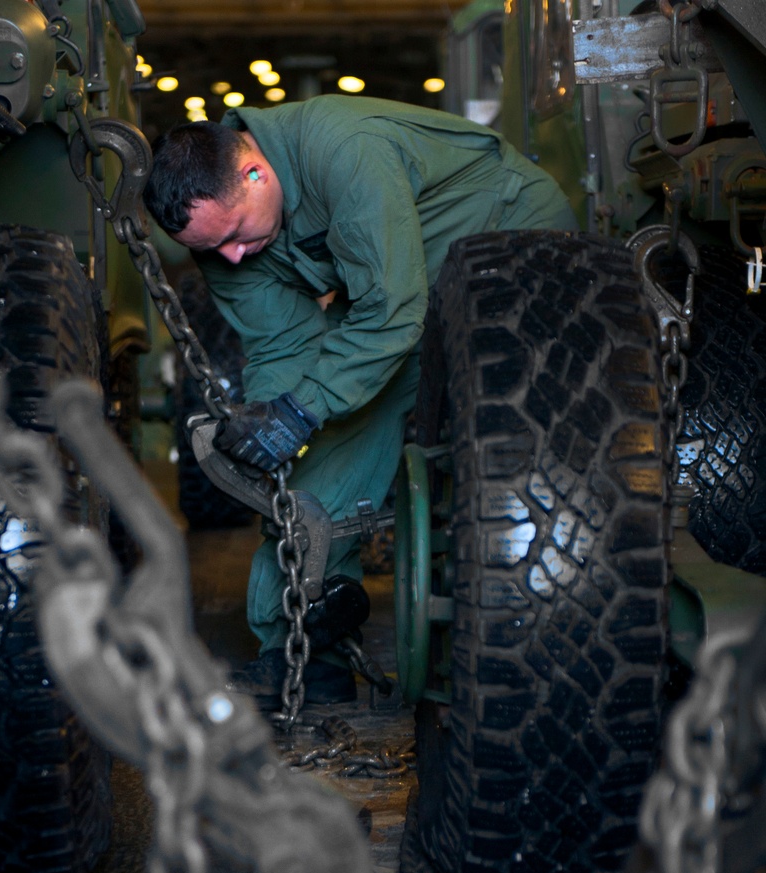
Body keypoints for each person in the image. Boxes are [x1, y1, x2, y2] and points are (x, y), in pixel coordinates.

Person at [143, 94, 577, 707]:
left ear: (254, 172)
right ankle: (302, 654)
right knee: (314, 464)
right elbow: (281, 347)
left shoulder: (344, 151)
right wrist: (279, 431)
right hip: (390, 283)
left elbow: (393, 314)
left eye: (236, 234)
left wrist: (304, 409)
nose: (232, 257)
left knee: (469, 429)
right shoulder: (221, 237)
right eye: (215, 250)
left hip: (507, 239)